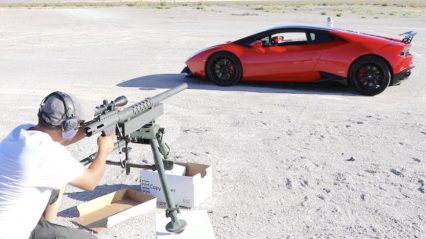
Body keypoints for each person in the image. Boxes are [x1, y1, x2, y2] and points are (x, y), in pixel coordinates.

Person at [0, 91, 116, 239]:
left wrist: (97, 126)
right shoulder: (49, 154)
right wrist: (104, 150)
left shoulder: (22, 131)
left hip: (8, 223)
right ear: (69, 126)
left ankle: (47, 226)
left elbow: (62, 138)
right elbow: (91, 181)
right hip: (13, 234)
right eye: (77, 124)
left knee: (59, 183)